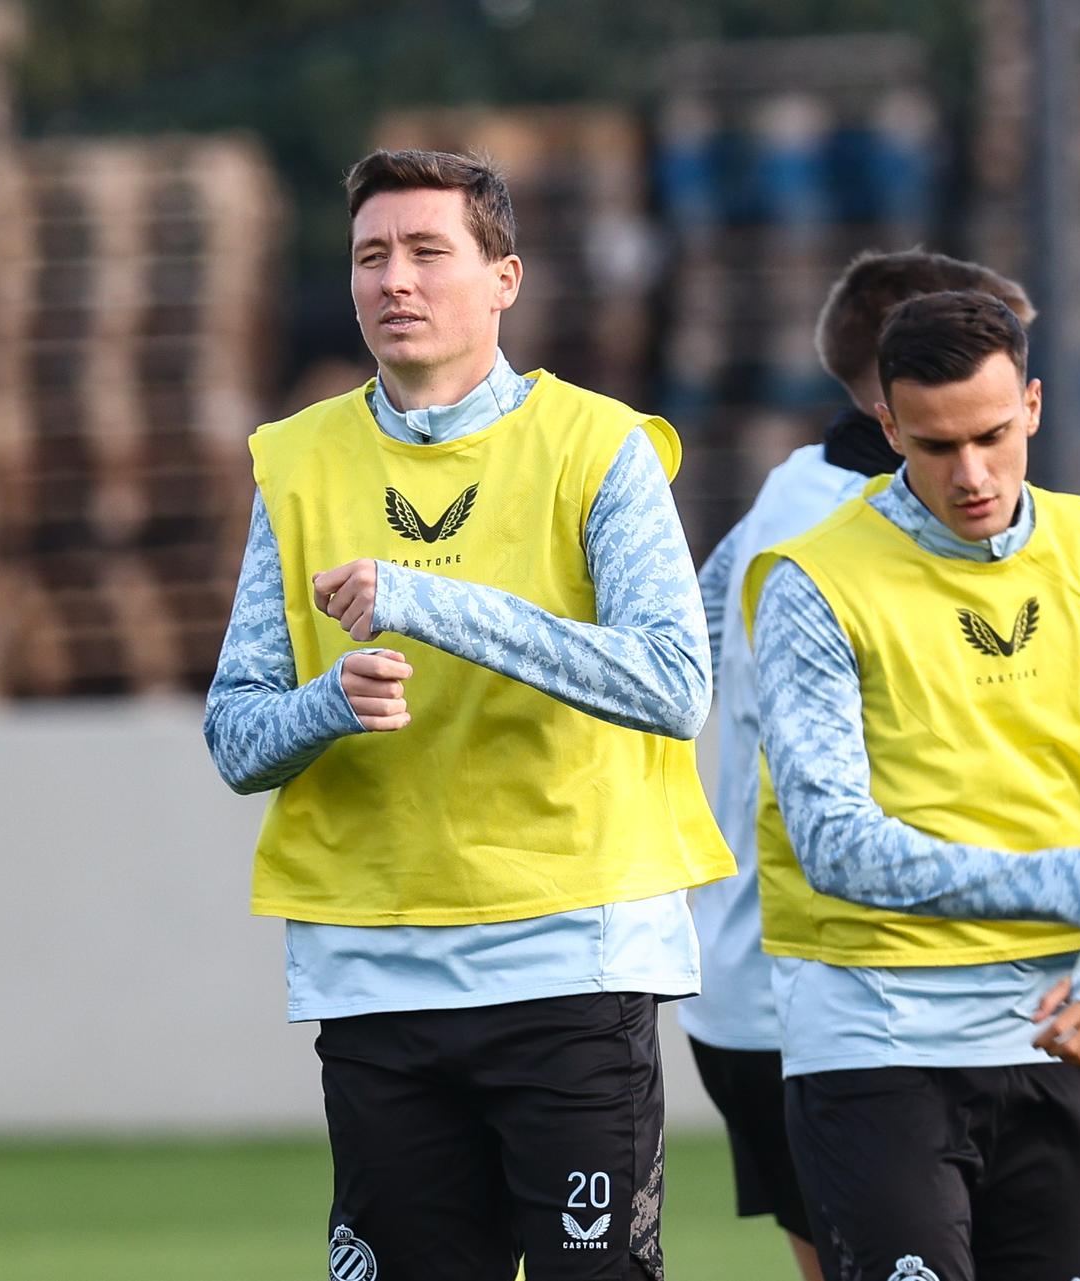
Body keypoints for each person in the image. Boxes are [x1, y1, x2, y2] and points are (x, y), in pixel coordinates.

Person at [203, 148, 732, 1281]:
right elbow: (235, 736)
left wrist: (427, 602)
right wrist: (326, 705)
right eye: (370, 256)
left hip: (571, 960)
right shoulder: (293, 461)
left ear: (504, 280)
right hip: (375, 972)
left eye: (427, 251)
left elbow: (673, 683)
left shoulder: (601, 446)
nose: (394, 279)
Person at [741, 291, 1080, 1281]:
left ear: (1032, 405)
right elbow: (836, 846)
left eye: (993, 436)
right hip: (874, 1035)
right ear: (888, 427)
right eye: (937, 445)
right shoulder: (811, 581)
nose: (972, 474)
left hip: (1047, 1032)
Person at [683, 252, 1037, 1280]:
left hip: (765, 981)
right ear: (900, 395)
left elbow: (695, 654)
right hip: (821, 992)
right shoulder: (852, 535)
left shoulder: (787, 493)